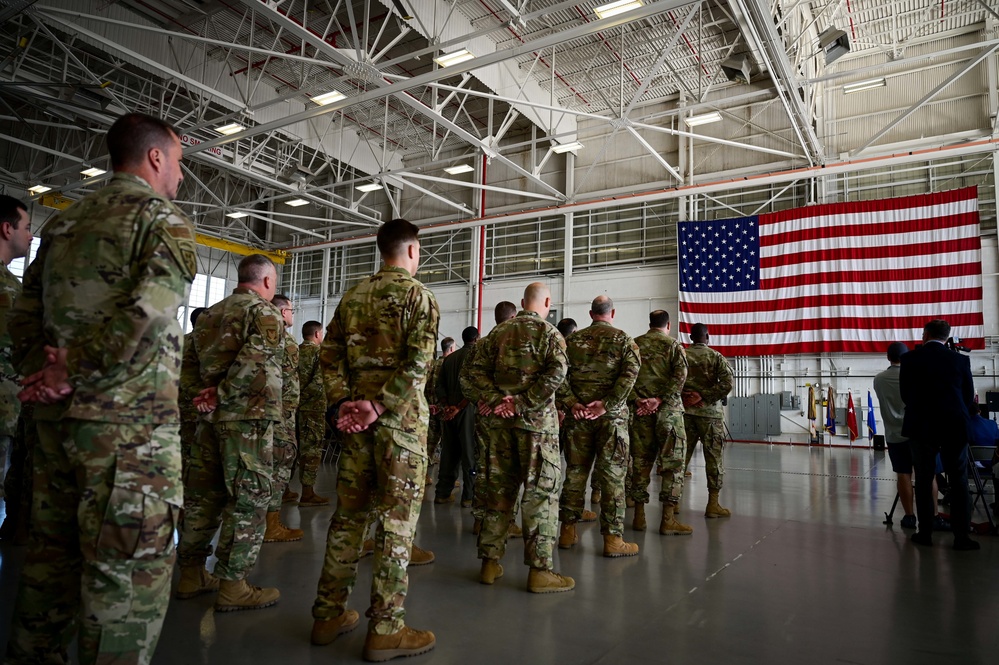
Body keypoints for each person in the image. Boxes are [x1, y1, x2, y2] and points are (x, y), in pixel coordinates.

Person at [5, 112, 196, 664]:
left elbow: (24, 314)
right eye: (179, 162)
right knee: (124, 590)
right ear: (155, 157)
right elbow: (150, 316)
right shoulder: (160, 219)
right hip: (129, 441)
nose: (180, 177)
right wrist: (72, 369)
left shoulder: (65, 222)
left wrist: (40, 379)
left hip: (56, 430)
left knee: (47, 573)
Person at [311, 218, 439, 661]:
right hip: (398, 431)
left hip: (356, 429)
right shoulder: (417, 297)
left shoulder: (352, 296)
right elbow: (420, 363)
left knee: (348, 519)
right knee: (394, 525)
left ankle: (327, 616)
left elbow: (328, 357)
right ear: (412, 251)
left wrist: (344, 404)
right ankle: (385, 629)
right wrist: (381, 406)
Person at [176, 254, 285, 609]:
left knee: (201, 497)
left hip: (208, 420)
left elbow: (188, 364)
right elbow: (254, 360)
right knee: (248, 500)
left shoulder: (208, 315)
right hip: (247, 422)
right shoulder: (263, 312)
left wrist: (202, 398)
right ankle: (233, 586)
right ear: (267, 281)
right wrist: (222, 394)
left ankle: (191, 574)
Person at [461, 283, 574, 592]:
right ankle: (539, 571)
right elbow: (557, 374)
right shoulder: (551, 335)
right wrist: (523, 402)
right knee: (540, 494)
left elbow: (468, 376)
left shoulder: (496, 334)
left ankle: (489, 563)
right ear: (547, 302)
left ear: (523, 302)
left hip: (499, 427)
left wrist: (496, 399)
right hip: (537, 428)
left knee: (497, 493)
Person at [557, 295, 641, 557]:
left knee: (575, 472)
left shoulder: (570, 341)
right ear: (612, 312)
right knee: (613, 477)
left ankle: (567, 532)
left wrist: (573, 404)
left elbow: (557, 375)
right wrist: (607, 405)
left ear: (591, 313)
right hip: (612, 421)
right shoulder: (625, 341)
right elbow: (630, 376)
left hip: (578, 418)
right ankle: (613, 540)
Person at [900, 319, 979, 550]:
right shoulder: (960, 360)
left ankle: (925, 533)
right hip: (954, 425)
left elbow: (906, 394)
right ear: (947, 337)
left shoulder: (910, 360)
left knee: (924, 479)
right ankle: (962, 537)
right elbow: (968, 396)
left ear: (925, 335)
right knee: (959, 480)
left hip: (922, 426)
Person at [628, 310, 688, 532]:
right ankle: (667, 519)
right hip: (668, 413)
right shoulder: (673, 346)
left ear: (649, 324)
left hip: (640, 413)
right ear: (668, 325)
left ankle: (639, 516)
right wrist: (659, 400)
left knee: (641, 464)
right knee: (672, 464)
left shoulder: (634, 345)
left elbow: (625, 377)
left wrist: (639, 401)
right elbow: (680, 376)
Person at [465, 301, 521, 536]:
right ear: (514, 316)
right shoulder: (519, 345)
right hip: (508, 419)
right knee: (508, 471)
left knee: (483, 466)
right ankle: (507, 522)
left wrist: (482, 400)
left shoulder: (481, 344)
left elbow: (465, 380)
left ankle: (480, 519)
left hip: (485, 418)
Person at [0, 194, 31, 539]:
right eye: (27, 227)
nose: (31, 235)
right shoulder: (9, 289)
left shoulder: (14, 286)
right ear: (7, 229)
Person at [682, 323, 735, 522]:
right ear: (707, 336)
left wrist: (686, 396)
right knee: (713, 459)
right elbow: (728, 383)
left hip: (685, 414)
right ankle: (713, 504)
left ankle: (673, 504)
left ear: (690, 337)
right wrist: (703, 397)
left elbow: (670, 380)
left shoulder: (682, 356)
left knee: (680, 458)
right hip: (710, 416)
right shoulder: (715, 357)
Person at [263, 294, 304, 542]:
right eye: (290, 309)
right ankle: (271, 526)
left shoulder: (260, 336)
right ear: (281, 312)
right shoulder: (284, 341)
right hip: (282, 414)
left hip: (265, 411)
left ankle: (265, 523)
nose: (292, 313)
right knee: (280, 466)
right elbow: (287, 381)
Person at [873, 342, 916, 529]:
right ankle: (934, 515)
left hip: (894, 434)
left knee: (903, 474)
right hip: (917, 433)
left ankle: (909, 516)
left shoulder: (879, 379)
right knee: (928, 475)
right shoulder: (915, 376)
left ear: (888, 357)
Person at [435, 325, 479, 507]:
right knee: (469, 454)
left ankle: (443, 493)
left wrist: (447, 406)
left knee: (448, 453)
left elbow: (439, 387)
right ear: (476, 339)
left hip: (449, 413)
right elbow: (475, 386)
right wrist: (459, 407)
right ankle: (468, 496)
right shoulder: (476, 358)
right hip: (466, 411)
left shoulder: (449, 359)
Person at [297, 319, 329, 506]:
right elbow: (319, 383)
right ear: (317, 334)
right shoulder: (318, 353)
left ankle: (285, 491)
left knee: (292, 450)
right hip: (312, 409)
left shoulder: (295, 350)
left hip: (291, 408)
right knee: (311, 450)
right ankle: (307, 493)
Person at [179, 307, 207, 479]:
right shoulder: (206, 343)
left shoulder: (180, 341)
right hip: (200, 401)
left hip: (179, 400)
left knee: (183, 443)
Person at [424, 337, 454, 486]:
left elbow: (426, 385)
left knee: (429, 443)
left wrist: (429, 404)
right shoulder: (450, 365)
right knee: (448, 447)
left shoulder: (433, 364)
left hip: (430, 408)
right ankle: (446, 480)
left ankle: (423, 476)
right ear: (452, 348)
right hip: (444, 409)